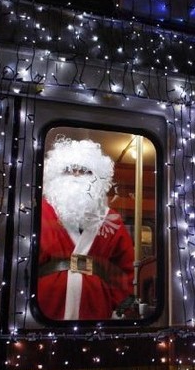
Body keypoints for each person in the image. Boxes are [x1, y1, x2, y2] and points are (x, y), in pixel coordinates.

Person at [37, 137, 134, 320]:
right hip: (44, 310)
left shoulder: (111, 219)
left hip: (96, 310)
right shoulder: (38, 213)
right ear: (55, 176)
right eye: (68, 170)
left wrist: (119, 308)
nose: (76, 175)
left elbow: (124, 271)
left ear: (98, 178)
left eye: (85, 171)